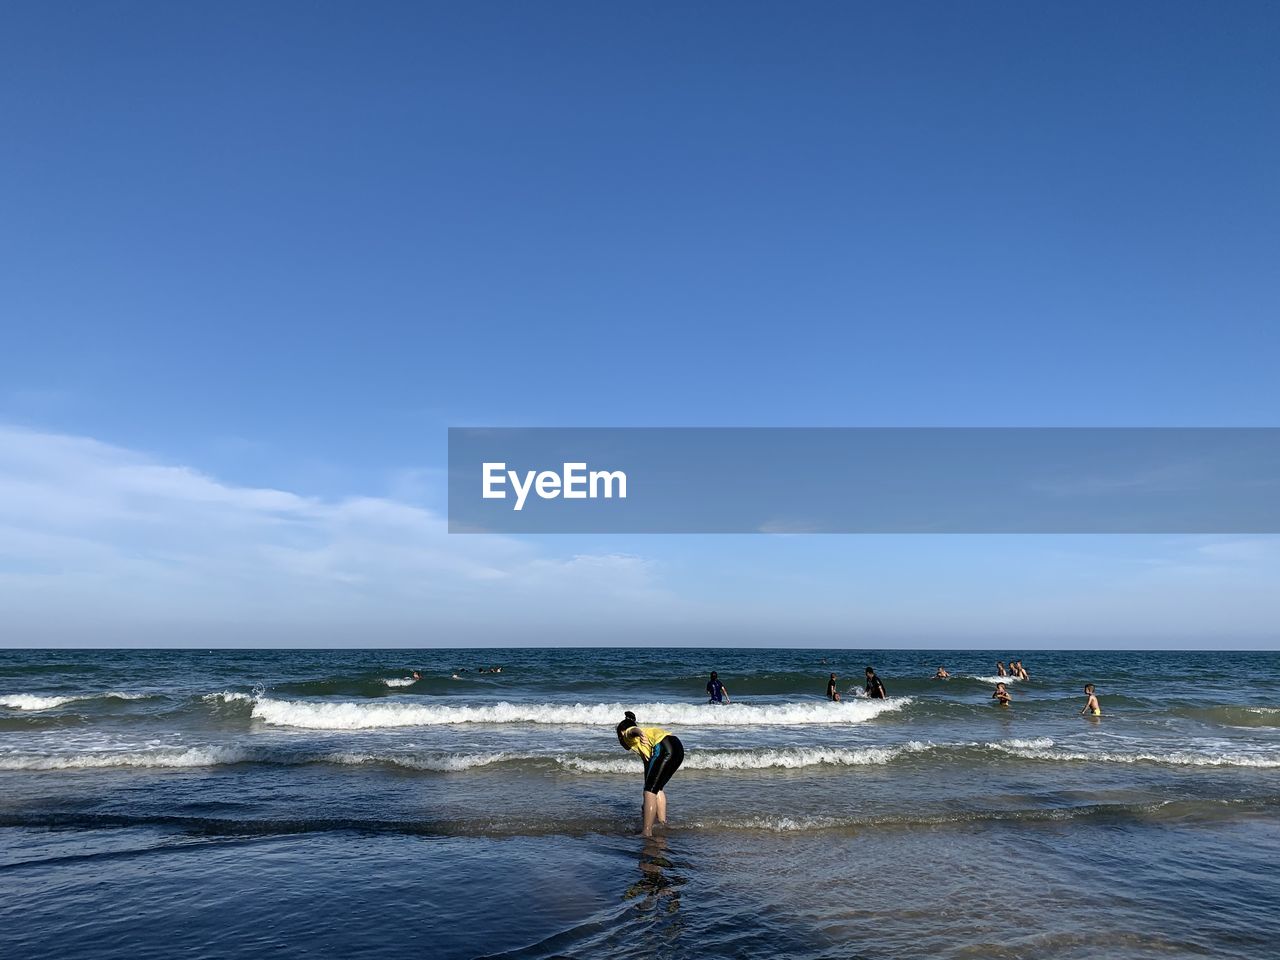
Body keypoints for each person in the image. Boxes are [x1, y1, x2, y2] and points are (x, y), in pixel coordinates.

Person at [615, 710, 685, 837]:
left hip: (664, 747)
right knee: (656, 789)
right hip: (678, 747)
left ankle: (646, 832)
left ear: (620, 733)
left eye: (618, 738)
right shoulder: (642, 747)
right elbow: (648, 769)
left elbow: (632, 730)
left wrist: (640, 733)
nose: (621, 742)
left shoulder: (627, 734)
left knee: (650, 791)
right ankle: (663, 823)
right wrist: (646, 798)